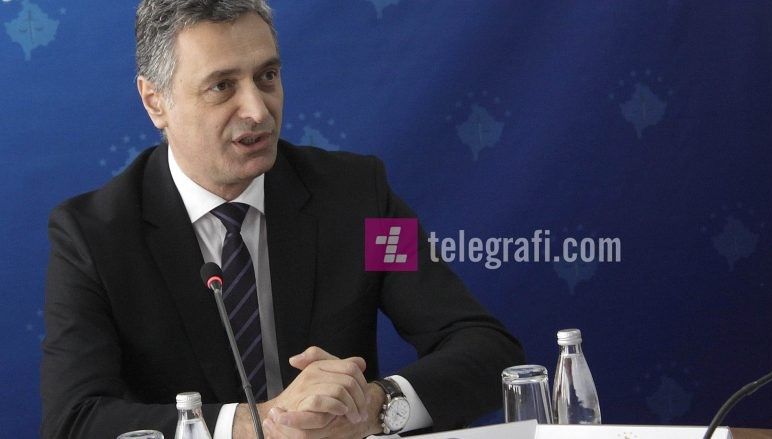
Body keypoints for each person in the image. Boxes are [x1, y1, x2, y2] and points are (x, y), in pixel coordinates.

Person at [40, 1, 525, 438]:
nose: (257, 110)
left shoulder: (358, 199)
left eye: (267, 76)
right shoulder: (94, 237)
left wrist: (374, 407)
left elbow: (484, 348)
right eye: (222, 86)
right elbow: (74, 419)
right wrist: (259, 424)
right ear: (155, 101)